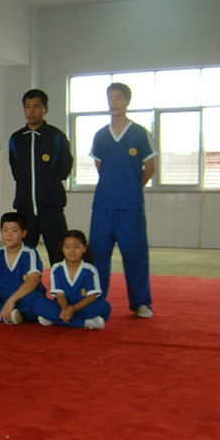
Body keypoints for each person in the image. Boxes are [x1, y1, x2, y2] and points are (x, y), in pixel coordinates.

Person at [89, 82, 156, 318]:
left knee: (135, 254)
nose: (113, 102)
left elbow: (150, 167)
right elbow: (100, 167)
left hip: (130, 206)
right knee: (98, 256)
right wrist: (115, 185)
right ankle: (96, 300)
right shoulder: (100, 135)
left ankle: (141, 302)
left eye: (118, 98)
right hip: (103, 206)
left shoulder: (139, 133)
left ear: (127, 101)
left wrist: (131, 187)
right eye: (110, 98)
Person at [8, 89, 73, 266]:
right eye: (27, 107)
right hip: (25, 211)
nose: (31, 111)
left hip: (52, 210)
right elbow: (16, 171)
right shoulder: (16, 139)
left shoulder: (56, 136)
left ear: (46, 109)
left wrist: (48, 185)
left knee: (59, 256)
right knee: (24, 258)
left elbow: (65, 168)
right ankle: (27, 293)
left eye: (36, 106)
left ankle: (60, 292)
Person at [32, 230, 110, 329]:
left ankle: (55, 318)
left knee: (105, 307)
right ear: (62, 249)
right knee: (38, 304)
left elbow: (91, 297)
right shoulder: (57, 268)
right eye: (67, 247)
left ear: (84, 248)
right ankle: (84, 323)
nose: (72, 251)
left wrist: (73, 309)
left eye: (76, 247)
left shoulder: (90, 270)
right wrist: (65, 310)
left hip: (81, 306)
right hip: (61, 305)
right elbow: (60, 295)